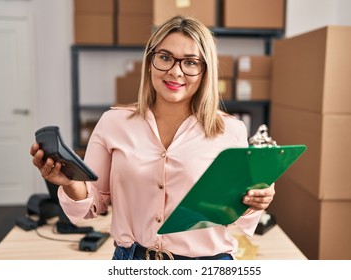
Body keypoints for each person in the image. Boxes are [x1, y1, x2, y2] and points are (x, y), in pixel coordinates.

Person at [30, 15, 275, 260]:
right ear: (150, 61)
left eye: (190, 62)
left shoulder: (230, 131)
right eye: (165, 57)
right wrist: (70, 183)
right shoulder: (113, 123)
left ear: (204, 71)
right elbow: (93, 205)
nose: (175, 71)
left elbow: (235, 211)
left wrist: (257, 200)